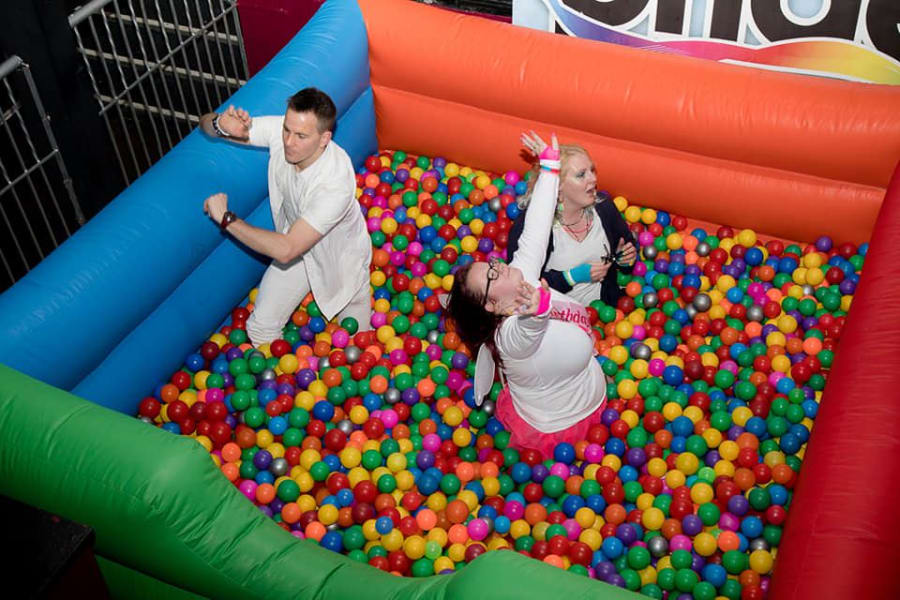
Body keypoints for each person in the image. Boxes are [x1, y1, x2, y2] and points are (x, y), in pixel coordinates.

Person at [445, 132, 607, 459]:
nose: (498, 266)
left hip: (586, 386)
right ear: (493, 305)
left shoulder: (522, 277)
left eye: (490, 263)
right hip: (563, 422)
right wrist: (538, 310)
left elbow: (537, 225)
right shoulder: (509, 337)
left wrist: (549, 167)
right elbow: (527, 332)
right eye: (491, 276)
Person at [199, 88, 372, 347]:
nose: (289, 142)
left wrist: (226, 219)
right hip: (297, 248)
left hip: (339, 259)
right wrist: (220, 123)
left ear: (325, 138)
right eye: (286, 129)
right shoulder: (284, 135)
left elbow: (286, 250)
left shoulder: (334, 182)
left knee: (357, 346)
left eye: (301, 135)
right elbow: (205, 125)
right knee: (259, 329)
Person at [506, 137, 637, 308]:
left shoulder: (604, 207)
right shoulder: (531, 226)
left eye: (592, 170)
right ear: (558, 188)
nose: (593, 179)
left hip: (606, 311)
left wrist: (624, 258)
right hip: (553, 316)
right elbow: (520, 287)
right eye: (581, 175)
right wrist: (571, 277)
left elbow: (626, 244)